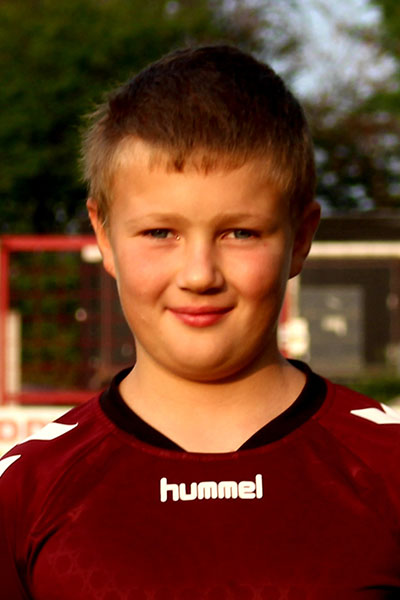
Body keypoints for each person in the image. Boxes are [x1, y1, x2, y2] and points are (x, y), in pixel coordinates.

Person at [1, 45, 399, 600]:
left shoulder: (386, 467)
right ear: (104, 235)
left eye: (240, 233)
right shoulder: (25, 489)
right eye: (160, 233)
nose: (199, 275)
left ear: (300, 237)